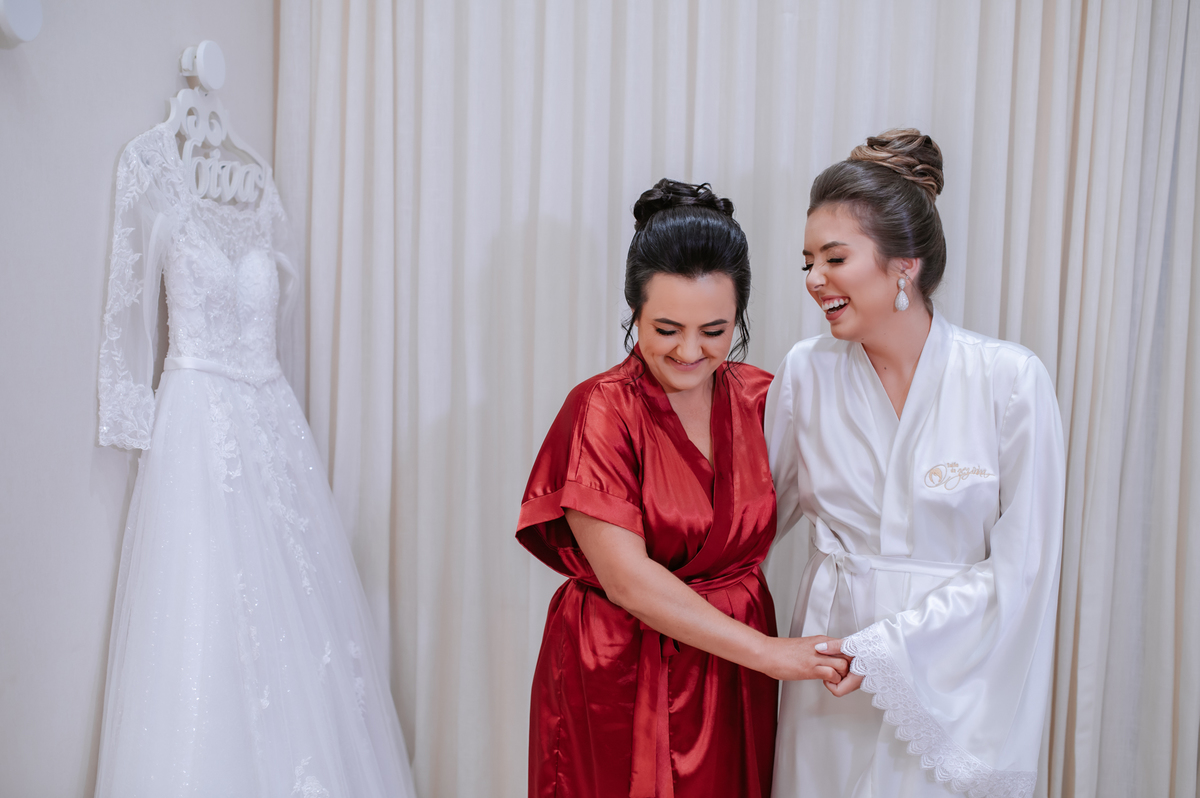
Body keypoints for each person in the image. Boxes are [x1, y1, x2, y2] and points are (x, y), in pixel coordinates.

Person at [516, 179, 849, 798]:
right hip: (622, 667)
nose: (690, 352)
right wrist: (771, 654)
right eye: (667, 329)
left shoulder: (763, 398)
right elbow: (627, 579)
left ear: (739, 317)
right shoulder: (601, 409)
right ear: (634, 312)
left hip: (730, 670)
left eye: (715, 331)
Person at [767, 130, 1065, 797]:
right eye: (807, 261)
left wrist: (885, 651)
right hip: (829, 672)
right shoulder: (806, 373)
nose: (814, 280)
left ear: (904, 266)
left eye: (834, 258)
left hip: (958, 682)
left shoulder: (1009, 381)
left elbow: (1026, 567)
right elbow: (748, 526)